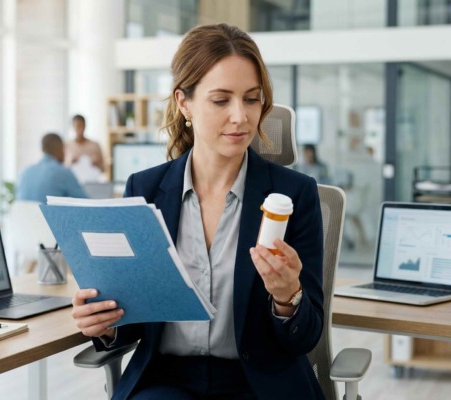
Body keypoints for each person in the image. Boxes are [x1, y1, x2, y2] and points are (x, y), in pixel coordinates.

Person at [71, 23, 324, 400]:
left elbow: (305, 335)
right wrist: (104, 324)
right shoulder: (145, 190)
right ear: (184, 103)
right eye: (221, 100)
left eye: (251, 99)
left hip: (258, 381)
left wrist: (289, 299)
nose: (241, 116)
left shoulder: (294, 194)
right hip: (167, 379)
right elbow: (133, 318)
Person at [16, 133, 87, 204]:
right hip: (48, 215)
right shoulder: (63, 172)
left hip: (24, 215)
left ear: (42, 149)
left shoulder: (25, 172)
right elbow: (86, 203)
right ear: (60, 149)